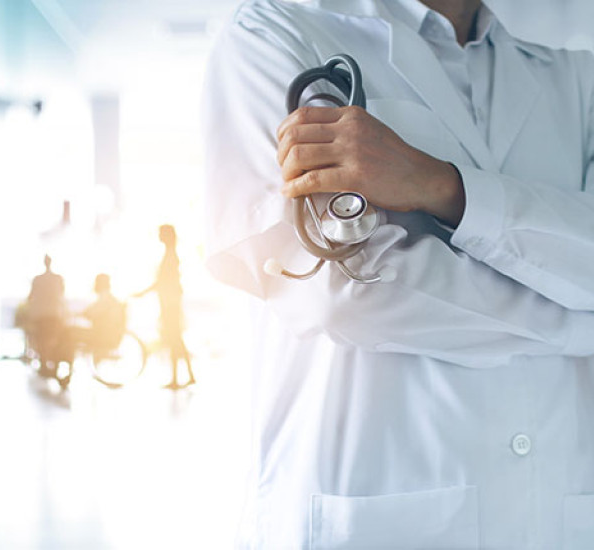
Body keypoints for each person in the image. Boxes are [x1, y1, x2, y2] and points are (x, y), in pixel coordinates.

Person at [202, 0, 594, 548]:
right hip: (374, 508)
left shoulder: (577, 70)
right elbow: (338, 293)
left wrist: (443, 187)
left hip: (554, 511)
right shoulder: (275, 31)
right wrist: (580, 323)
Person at [134, 225, 195, 389]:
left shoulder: (170, 257)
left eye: (161, 233)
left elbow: (162, 282)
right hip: (170, 305)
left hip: (170, 306)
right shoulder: (170, 255)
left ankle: (178, 378)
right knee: (177, 341)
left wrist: (142, 293)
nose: (158, 236)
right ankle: (186, 376)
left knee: (174, 340)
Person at [16, 254, 68, 374]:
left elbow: (31, 297)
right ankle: (53, 363)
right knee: (53, 340)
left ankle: (44, 364)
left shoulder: (37, 279)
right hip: (54, 314)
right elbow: (62, 295)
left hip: (40, 315)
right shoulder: (58, 278)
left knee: (41, 340)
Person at [74, 273, 127, 353]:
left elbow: (93, 312)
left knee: (70, 333)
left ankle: (66, 360)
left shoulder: (105, 298)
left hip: (102, 336)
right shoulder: (111, 298)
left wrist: (82, 314)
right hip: (111, 335)